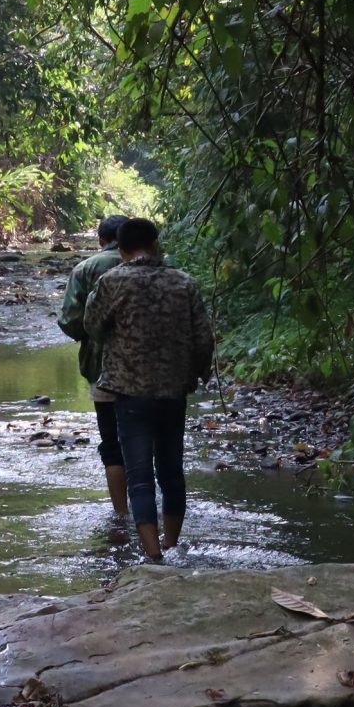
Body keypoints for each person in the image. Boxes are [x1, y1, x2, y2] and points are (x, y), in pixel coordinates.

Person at [83, 216, 214, 564]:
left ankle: (153, 554)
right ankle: (172, 543)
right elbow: (204, 338)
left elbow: (92, 326)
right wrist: (196, 375)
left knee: (139, 474)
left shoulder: (112, 282)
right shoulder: (184, 283)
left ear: (121, 249)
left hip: (128, 392)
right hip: (172, 391)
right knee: (171, 470)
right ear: (156, 245)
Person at [57, 214, 132, 524]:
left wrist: (89, 335)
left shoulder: (86, 268)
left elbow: (71, 319)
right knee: (146, 442)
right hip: (154, 372)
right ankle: (149, 515)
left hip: (102, 367)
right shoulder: (158, 267)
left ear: (102, 240)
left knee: (112, 444)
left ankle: (121, 515)